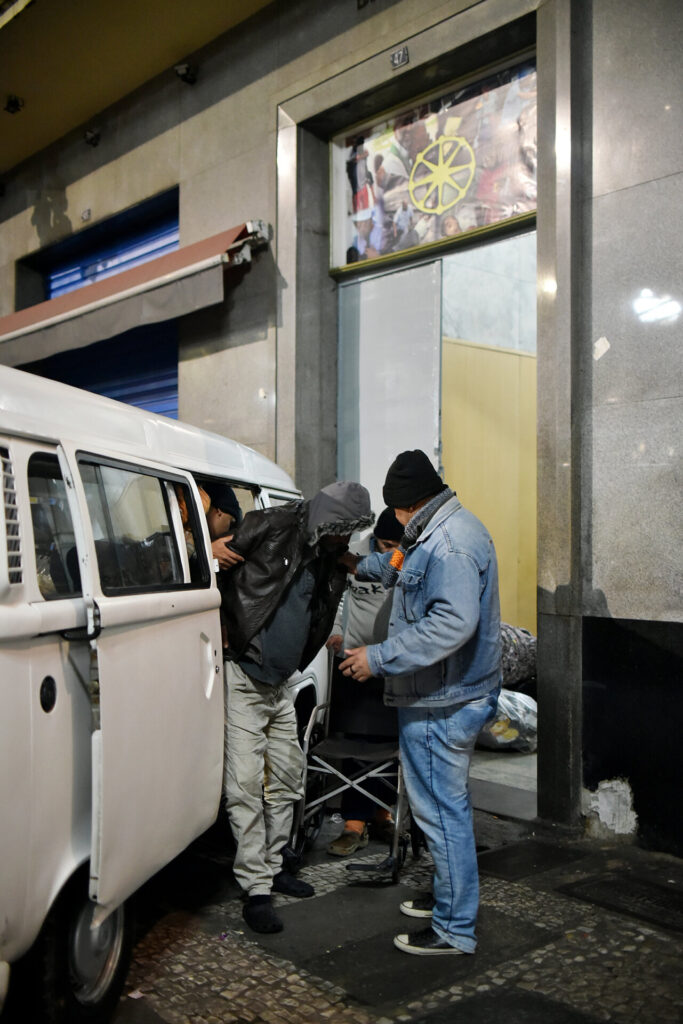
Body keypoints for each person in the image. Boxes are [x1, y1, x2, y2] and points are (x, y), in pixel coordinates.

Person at [339, 450, 501, 956]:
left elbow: (452, 623)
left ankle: (454, 929)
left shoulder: (448, 545)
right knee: (446, 809)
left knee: (442, 814)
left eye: (395, 508)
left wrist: (378, 657)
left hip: (442, 701)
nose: (396, 518)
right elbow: (396, 565)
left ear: (407, 504)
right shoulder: (434, 531)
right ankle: (450, 900)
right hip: (447, 694)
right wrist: (353, 563)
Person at [219, 481, 374, 934]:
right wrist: (206, 556)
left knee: (287, 780)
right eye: (342, 530)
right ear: (326, 520)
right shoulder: (272, 525)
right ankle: (256, 888)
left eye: (351, 532)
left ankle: (274, 865)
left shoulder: (330, 554)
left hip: (281, 684)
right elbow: (218, 565)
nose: (345, 539)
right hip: (245, 676)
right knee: (245, 787)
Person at [325, 507, 403, 856]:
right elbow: (338, 597)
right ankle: (353, 824)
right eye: (385, 545)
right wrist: (336, 631)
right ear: (375, 539)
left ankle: (382, 814)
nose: (390, 553)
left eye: (396, 547)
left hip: (392, 663)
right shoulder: (355, 555)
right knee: (357, 745)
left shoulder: (405, 558)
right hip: (354, 662)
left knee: (390, 747)